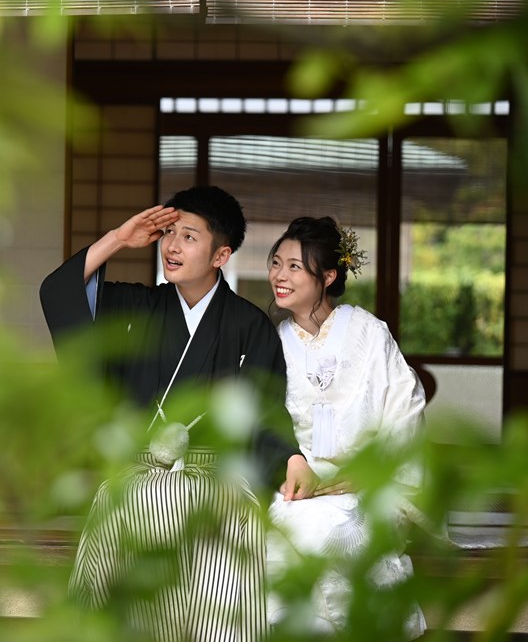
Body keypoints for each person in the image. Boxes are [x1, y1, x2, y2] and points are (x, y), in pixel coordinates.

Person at [41, 185, 316, 642]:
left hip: (220, 478)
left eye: (189, 236)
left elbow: (266, 413)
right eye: (168, 233)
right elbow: (58, 294)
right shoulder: (136, 307)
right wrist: (117, 238)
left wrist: (291, 457)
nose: (171, 245)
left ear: (220, 254)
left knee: (226, 532)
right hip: (141, 473)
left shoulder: (249, 326)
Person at [265, 216, 427, 639]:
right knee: (283, 533)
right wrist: (290, 467)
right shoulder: (271, 342)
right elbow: (264, 422)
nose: (280, 275)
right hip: (297, 490)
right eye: (276, 263)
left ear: (329, 275)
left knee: (338, 533)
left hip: (365, 484)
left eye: (295, 266)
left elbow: (403, 409)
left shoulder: (369, 333)